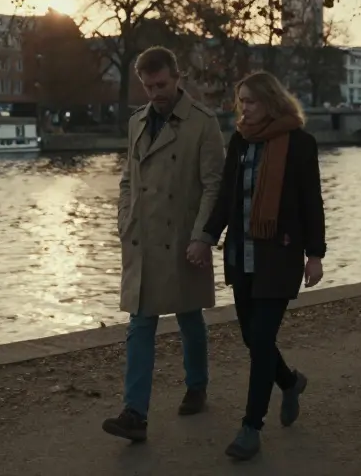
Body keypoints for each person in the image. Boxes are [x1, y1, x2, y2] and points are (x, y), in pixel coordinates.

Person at [194, 70, 326, 461]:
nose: (244, 108)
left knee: (262, 338)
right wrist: (206, 236)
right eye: (241, 101)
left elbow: (311, 201)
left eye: (250, 101)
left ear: (271, 100)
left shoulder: (300, 144)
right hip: (242, 256)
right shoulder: (240, 141)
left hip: (279, 256)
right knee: (254, 338)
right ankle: (289, 382)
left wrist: (315, 254)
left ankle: (251, 426)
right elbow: (227, 198)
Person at [102, 46, 225, 443]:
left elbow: (214, 186)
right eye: (148, 86)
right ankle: (135, 413)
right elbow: (127, 179)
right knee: (140, 324)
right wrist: (124, 219)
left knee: (189, 317)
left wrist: (203, 237)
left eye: (161, 84)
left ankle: (197, 384)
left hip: (183, 238)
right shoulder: (137, 122)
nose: (155, 92)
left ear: (177, 77)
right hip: (142, 238)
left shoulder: (203, 123)